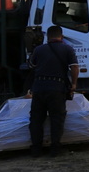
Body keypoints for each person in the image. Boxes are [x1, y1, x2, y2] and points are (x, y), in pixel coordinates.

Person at [27, 25, 79, 157]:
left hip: (39, 87)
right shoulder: (67, 49)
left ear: (48, 37)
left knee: (36, 119)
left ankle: (36, 150)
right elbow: (74, 67)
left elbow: (31, 66)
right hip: (57, 88)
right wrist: (73, 84)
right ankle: (55, 149)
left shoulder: (39, 49)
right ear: (61, 36)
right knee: (57, 119)